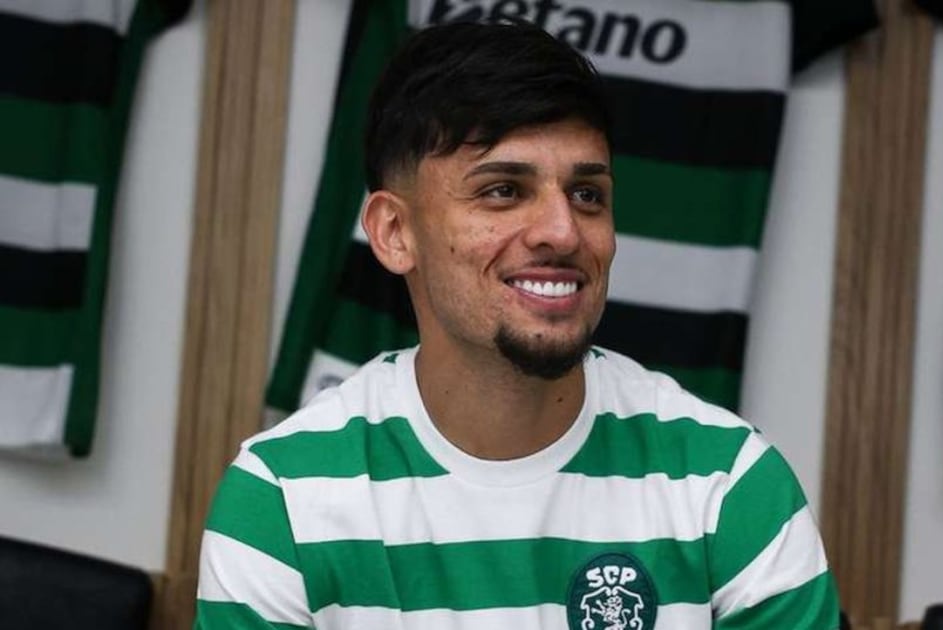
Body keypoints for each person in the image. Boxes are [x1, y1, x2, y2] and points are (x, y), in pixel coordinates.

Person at [195, 20, 839, 630]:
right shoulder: (283, 499)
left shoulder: (729, 484)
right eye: (503, 190)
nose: (563, 231)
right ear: (394, 232)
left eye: (587, 194)